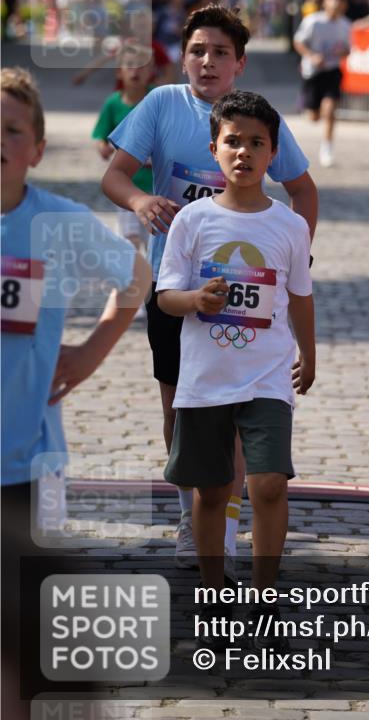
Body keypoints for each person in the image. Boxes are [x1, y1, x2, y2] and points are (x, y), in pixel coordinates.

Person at [101, 4, 317, 571]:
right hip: (174, 285)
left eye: (221, 52)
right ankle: (189, 507)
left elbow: (304, 190)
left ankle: (223, 519)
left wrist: (293, 252)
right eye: (198, 50)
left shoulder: (254, 118)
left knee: (241, 406)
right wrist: (142, 199)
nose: (207, 61)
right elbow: (114, 174)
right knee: (181, 406)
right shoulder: (162, 105)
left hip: (247, 287)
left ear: (239, 63)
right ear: (183, 56)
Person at [1, 68, 151, 716]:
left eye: (12, 129)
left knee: (31, 635)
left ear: (36, 148)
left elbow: (137, 275)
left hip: (29, 461)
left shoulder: (60, 222)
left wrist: (93, 349)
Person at [156, 91, 315, 646]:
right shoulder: (192, 220)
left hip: (267, 376)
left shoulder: (290, 226)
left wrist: (310, 354)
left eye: (257, 143)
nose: (244, 152)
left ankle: (267, 593)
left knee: (268, 483)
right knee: (212, 488)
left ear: (273, 153)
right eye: (233, 142)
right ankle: (213, 588)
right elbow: (165, 296)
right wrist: (197, 298)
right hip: (206, 379)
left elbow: (300, 296)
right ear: (214, 150)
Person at [92, 44, 154, 258]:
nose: (136, 71)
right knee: (131, 241)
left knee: (155, 244)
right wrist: (102, 148)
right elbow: (100, 135)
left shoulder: (156, 99)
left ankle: (154, 285)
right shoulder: (113, 103)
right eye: (130, 66)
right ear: (119, 71)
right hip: (127, 187)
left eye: (142, 66)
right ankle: (131, 283)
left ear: (151, 71)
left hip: (157, 187)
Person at [293, 0, 352, 168]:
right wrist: (311, 56)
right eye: (332, 1)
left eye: (339, 3)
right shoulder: (313, 21)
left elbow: (348, 49)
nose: (335, 6)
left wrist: (343, 52)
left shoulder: (345, 24)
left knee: (330, 109)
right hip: (312, 72)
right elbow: (298, 41)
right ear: (325, 2)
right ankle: (307, 104)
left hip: (332, 70)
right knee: (314, 116)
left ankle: (327, 148)